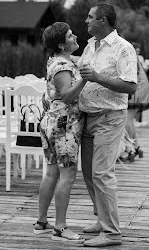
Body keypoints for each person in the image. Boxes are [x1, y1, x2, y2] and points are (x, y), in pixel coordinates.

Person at [78, 3, 137, 247]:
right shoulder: (90, 45)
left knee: (102, 174)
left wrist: (98, 77)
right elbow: (81, 71)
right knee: (90, 175)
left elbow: (131, 86)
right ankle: (101, 219)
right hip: (87, 117)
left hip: (109, 118)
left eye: (90, 17)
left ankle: (112, 233)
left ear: (103, 21)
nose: (86, 21)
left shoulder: (123, 48)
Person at [34, 22, 86, 243]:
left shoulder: (56, 60)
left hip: (51, 122)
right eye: (70, 36)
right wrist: (86, 78)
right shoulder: (63, 67)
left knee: (51, 173)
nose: (75, 37)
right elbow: (67, 95)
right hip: (64, 125)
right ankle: (60, 227)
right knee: (67, 175)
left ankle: (41, 221)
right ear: (61, 44)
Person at [121, 41, 149, 162]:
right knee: (130, 120)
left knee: (127, 119)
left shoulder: (128, 55)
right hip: (140, 85)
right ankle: (136, 146)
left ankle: (131, 149)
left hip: (137, 87)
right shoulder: (132, 55)